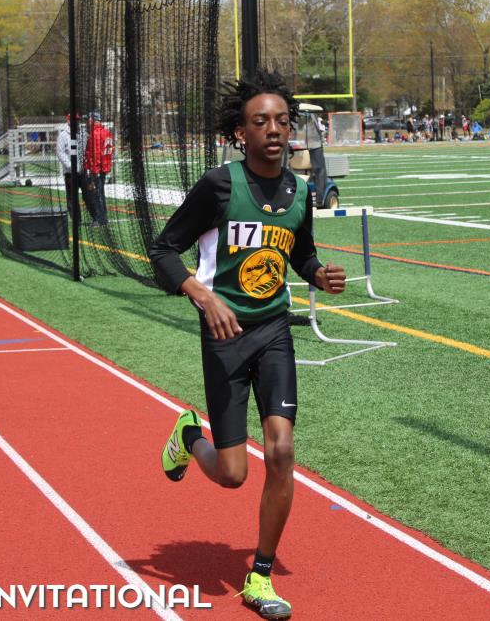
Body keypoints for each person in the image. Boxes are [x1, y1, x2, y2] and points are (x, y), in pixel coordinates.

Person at [148, 68, 346, 621]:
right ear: (242, 132)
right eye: (261, 122)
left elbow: (299, 252)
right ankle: (190, 437)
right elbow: (162, 250)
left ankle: (259, 574)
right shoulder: (218, 186)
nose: (274, 130)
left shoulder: (301, 190)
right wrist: (201, 295)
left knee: (281, 451)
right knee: (233, 474)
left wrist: (317, 273)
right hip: (225, 338)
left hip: (274, 330)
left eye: (282, 121)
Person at [84, 112, 113, 226]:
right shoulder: (106, 132)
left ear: (93, 120)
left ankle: (100, 219)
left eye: (88, 119)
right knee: (100, 193)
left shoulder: (95, 133)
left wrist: (94, 171)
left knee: (97, 194)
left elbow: (95, 154)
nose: (87, 122)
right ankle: (103, 218)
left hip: (97, 169)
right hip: (104, 167)